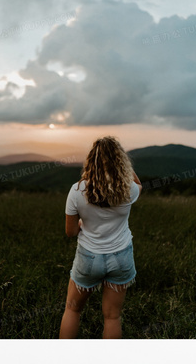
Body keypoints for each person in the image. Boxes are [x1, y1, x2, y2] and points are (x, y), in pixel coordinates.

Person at [59, 136, 142, 339]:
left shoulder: (77, 191)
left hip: (89, 258)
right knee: (112, 317)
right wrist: (122, 166)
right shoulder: (128, 189)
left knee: (72, 310)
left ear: (91, 161)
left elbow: (70, 232)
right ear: (120, 161)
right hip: (121, 257)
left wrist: (81, 224)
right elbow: (139, 184)